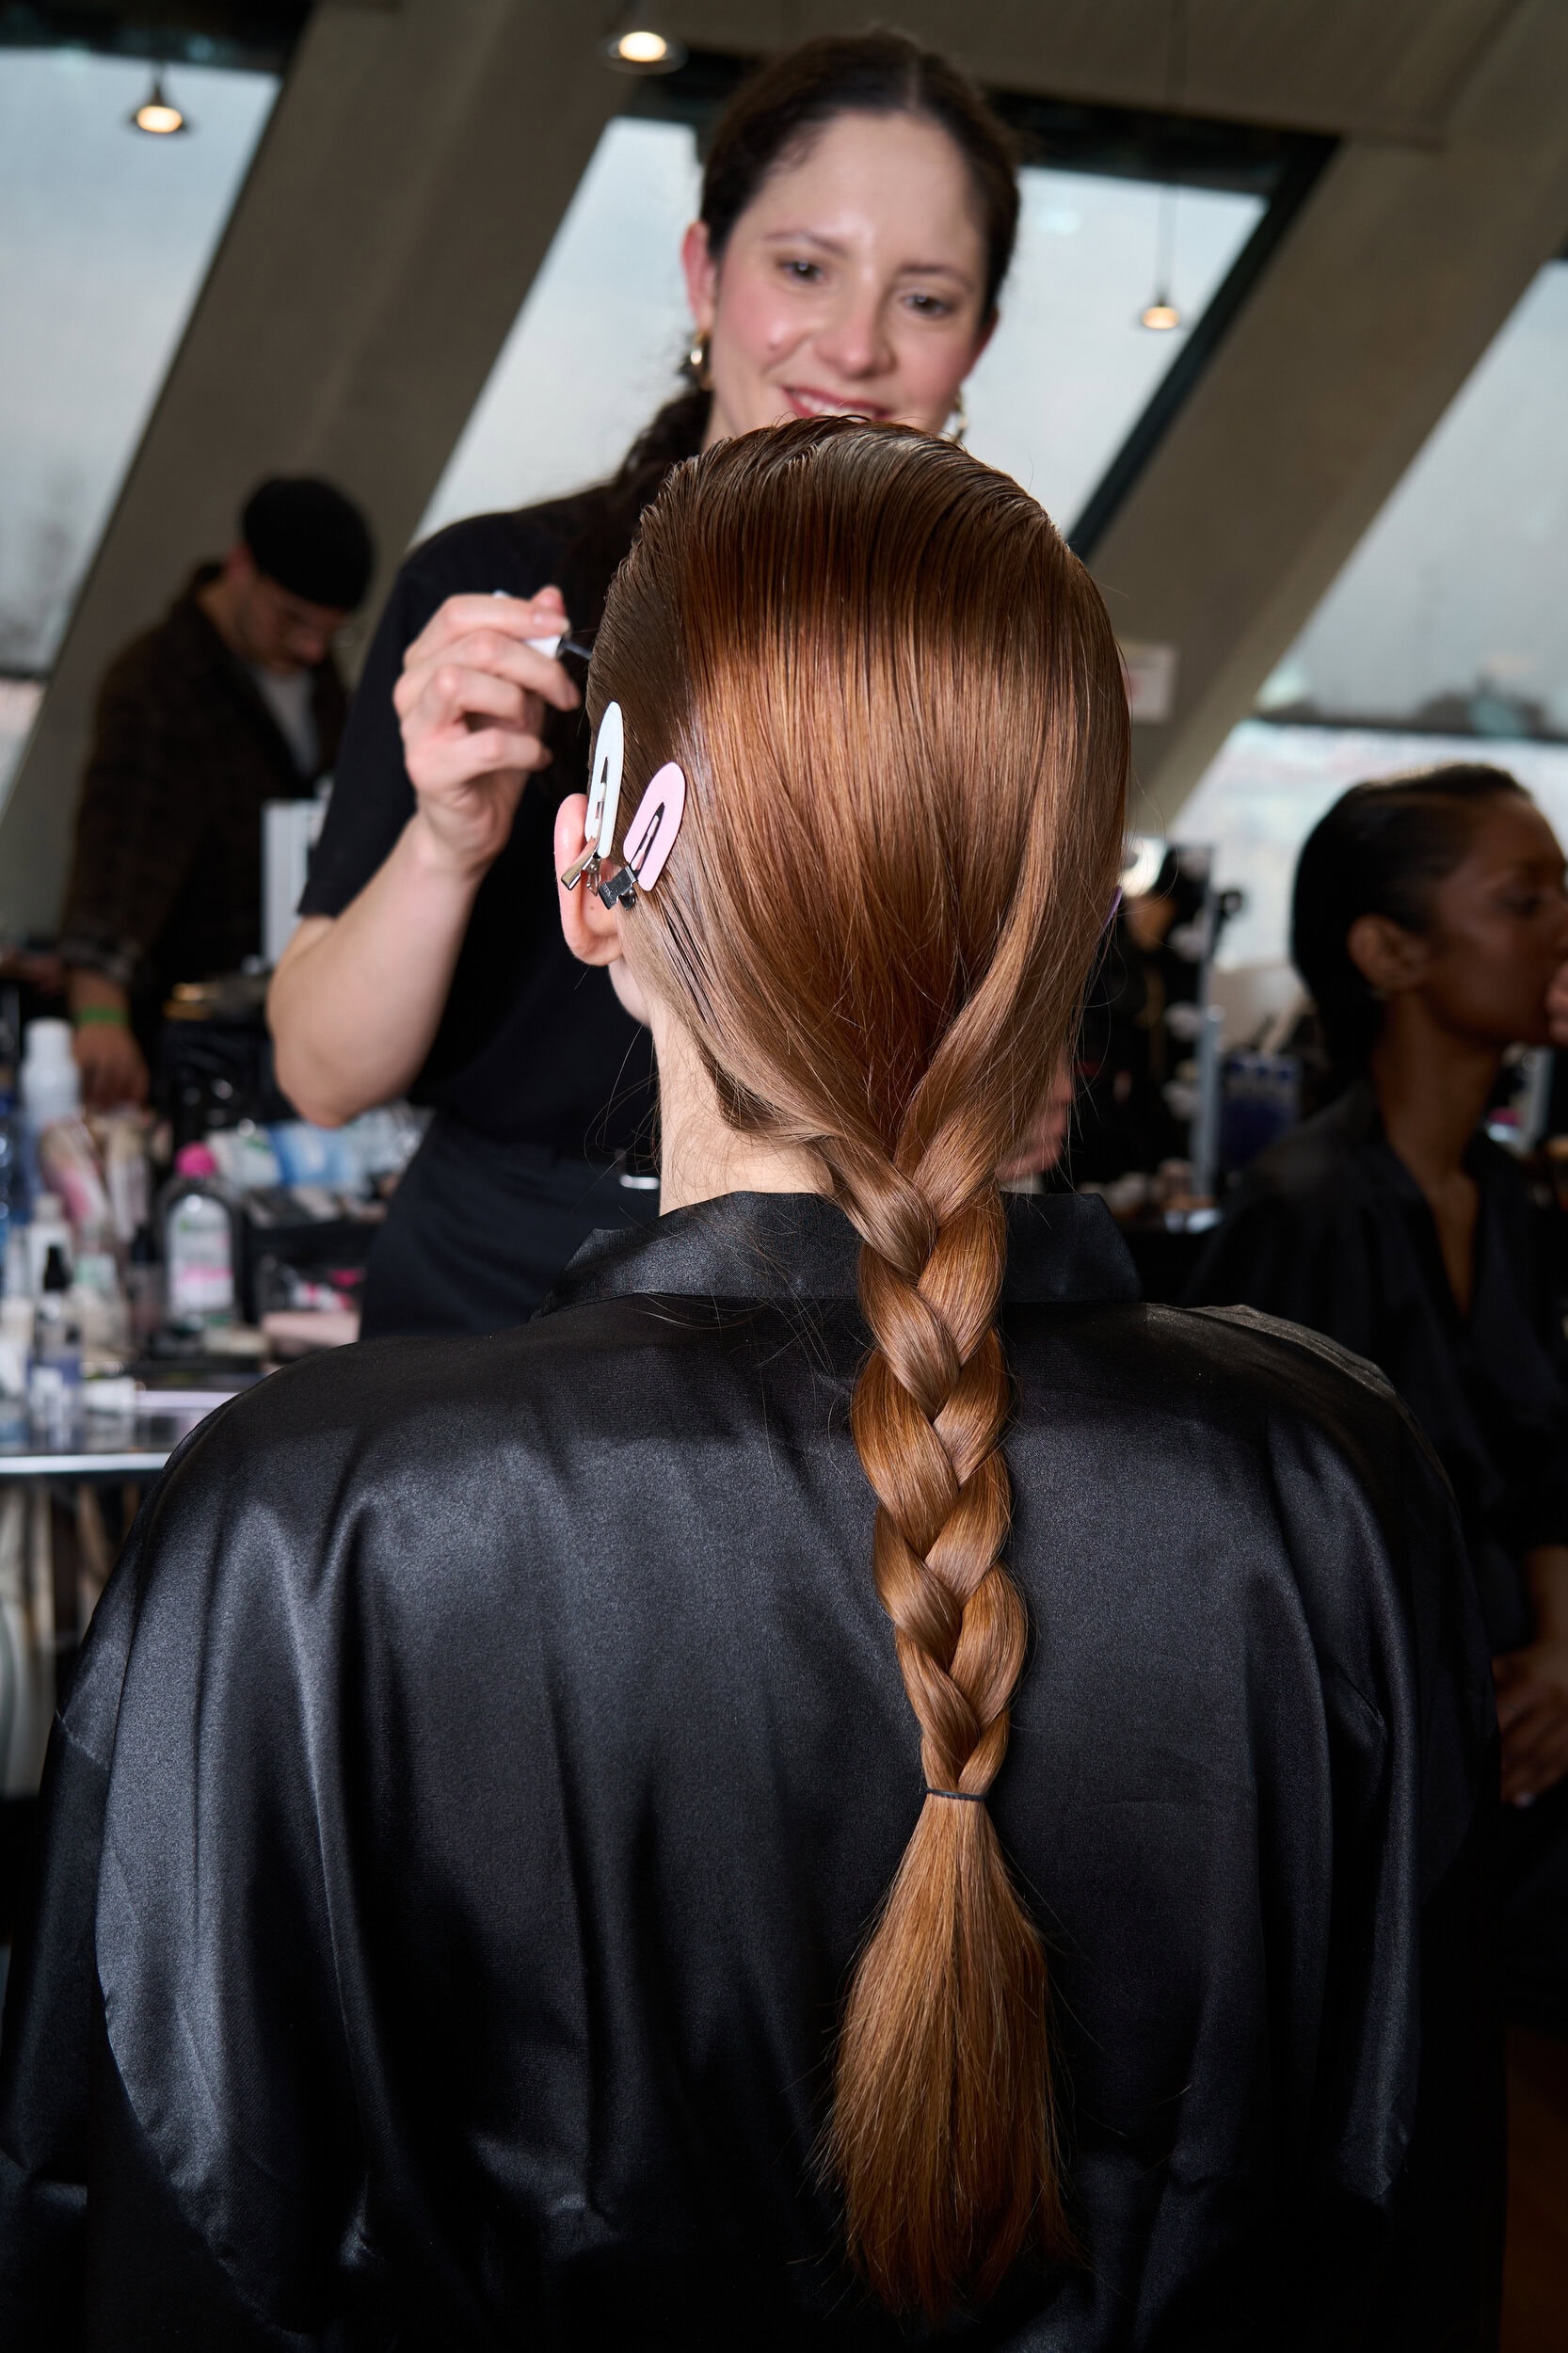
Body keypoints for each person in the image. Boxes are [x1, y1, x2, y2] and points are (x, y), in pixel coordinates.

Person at [0, 424, 1499, 2345]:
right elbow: (1406, 2222)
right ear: (1060, 939)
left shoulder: (310, 1533)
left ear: (589, 877)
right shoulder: (1327, 1486)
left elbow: (143, 2245)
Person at [267, 31, 1021, 1339]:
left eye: (926, 297)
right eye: (802, 268)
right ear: (703, 273)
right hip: (492, 1302)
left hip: (847, 1294)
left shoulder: (994, 651)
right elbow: (322, 1077)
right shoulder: (504, 595)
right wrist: (450, 844)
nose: (853, 345)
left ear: (978, 339)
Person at [1188, 763, 1568, 2035]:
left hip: (1511, 1745)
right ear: (1386, 950)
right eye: (1525, 899)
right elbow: (1246, 1546)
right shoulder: (1299, 1212)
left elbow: (1541, 1464)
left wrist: (1561, 1656)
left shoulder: (1509, 1199)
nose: (1559, 926)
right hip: (1363, 1778)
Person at [58, 477, 374, 1109]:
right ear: (241, 566)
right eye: (291, 620)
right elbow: (119, 852)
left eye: (328, 633)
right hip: (187, 1016)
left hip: (296, 996)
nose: (310, 647)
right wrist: (99, 1018)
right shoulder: (157, 681)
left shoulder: (317, 680)